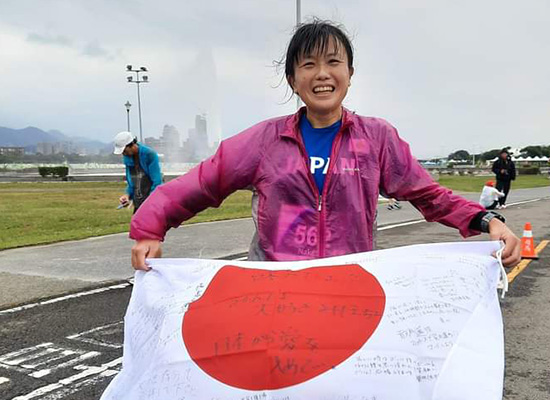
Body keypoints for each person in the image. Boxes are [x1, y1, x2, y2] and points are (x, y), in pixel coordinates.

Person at [128, 20, 520, 270]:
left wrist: (489, 220)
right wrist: (150, 227)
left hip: (351, 287)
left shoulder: (376, 139)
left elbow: (429, 194)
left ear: (350, 73)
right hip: (272, 288)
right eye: (308, 65)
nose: (322, 74)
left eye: (334, 62)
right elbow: (201, 183)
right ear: (292, 79)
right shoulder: (264, 141)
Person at [113, 131, 163, 213]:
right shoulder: (127, 158)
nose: (124, 154)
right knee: (136, 225)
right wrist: (127, 195)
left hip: (153, 202)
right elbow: (132, 181)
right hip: (139, 202)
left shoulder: (149, 154)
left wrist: (150, 202)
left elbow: (157, 181)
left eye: (125, 151)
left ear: (132, 144)